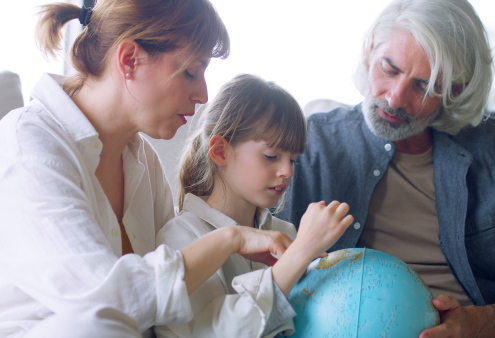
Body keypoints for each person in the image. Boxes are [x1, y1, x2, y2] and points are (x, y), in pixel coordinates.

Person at [279, 0, 495, 337]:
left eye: (424, 86)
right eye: (389, 69)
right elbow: (257, 268)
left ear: (455, 91)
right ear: (372, 47)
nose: (395, 98)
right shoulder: (309, 144)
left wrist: (476, 325)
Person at [0, 1, 299, 337]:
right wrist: (230, 238)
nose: (203, 94)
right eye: (190, 71)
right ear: (130, 60)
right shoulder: (29, 148)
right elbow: (107, 304)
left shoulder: (143, 161)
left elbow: (172, 316)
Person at [154, 73, 354, 338]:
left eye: (292, 160)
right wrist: (301, 251)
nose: (287, 171)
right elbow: (209, 331)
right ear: (221, 152)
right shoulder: (181, 236)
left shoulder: (285, 232)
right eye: (271, 156)